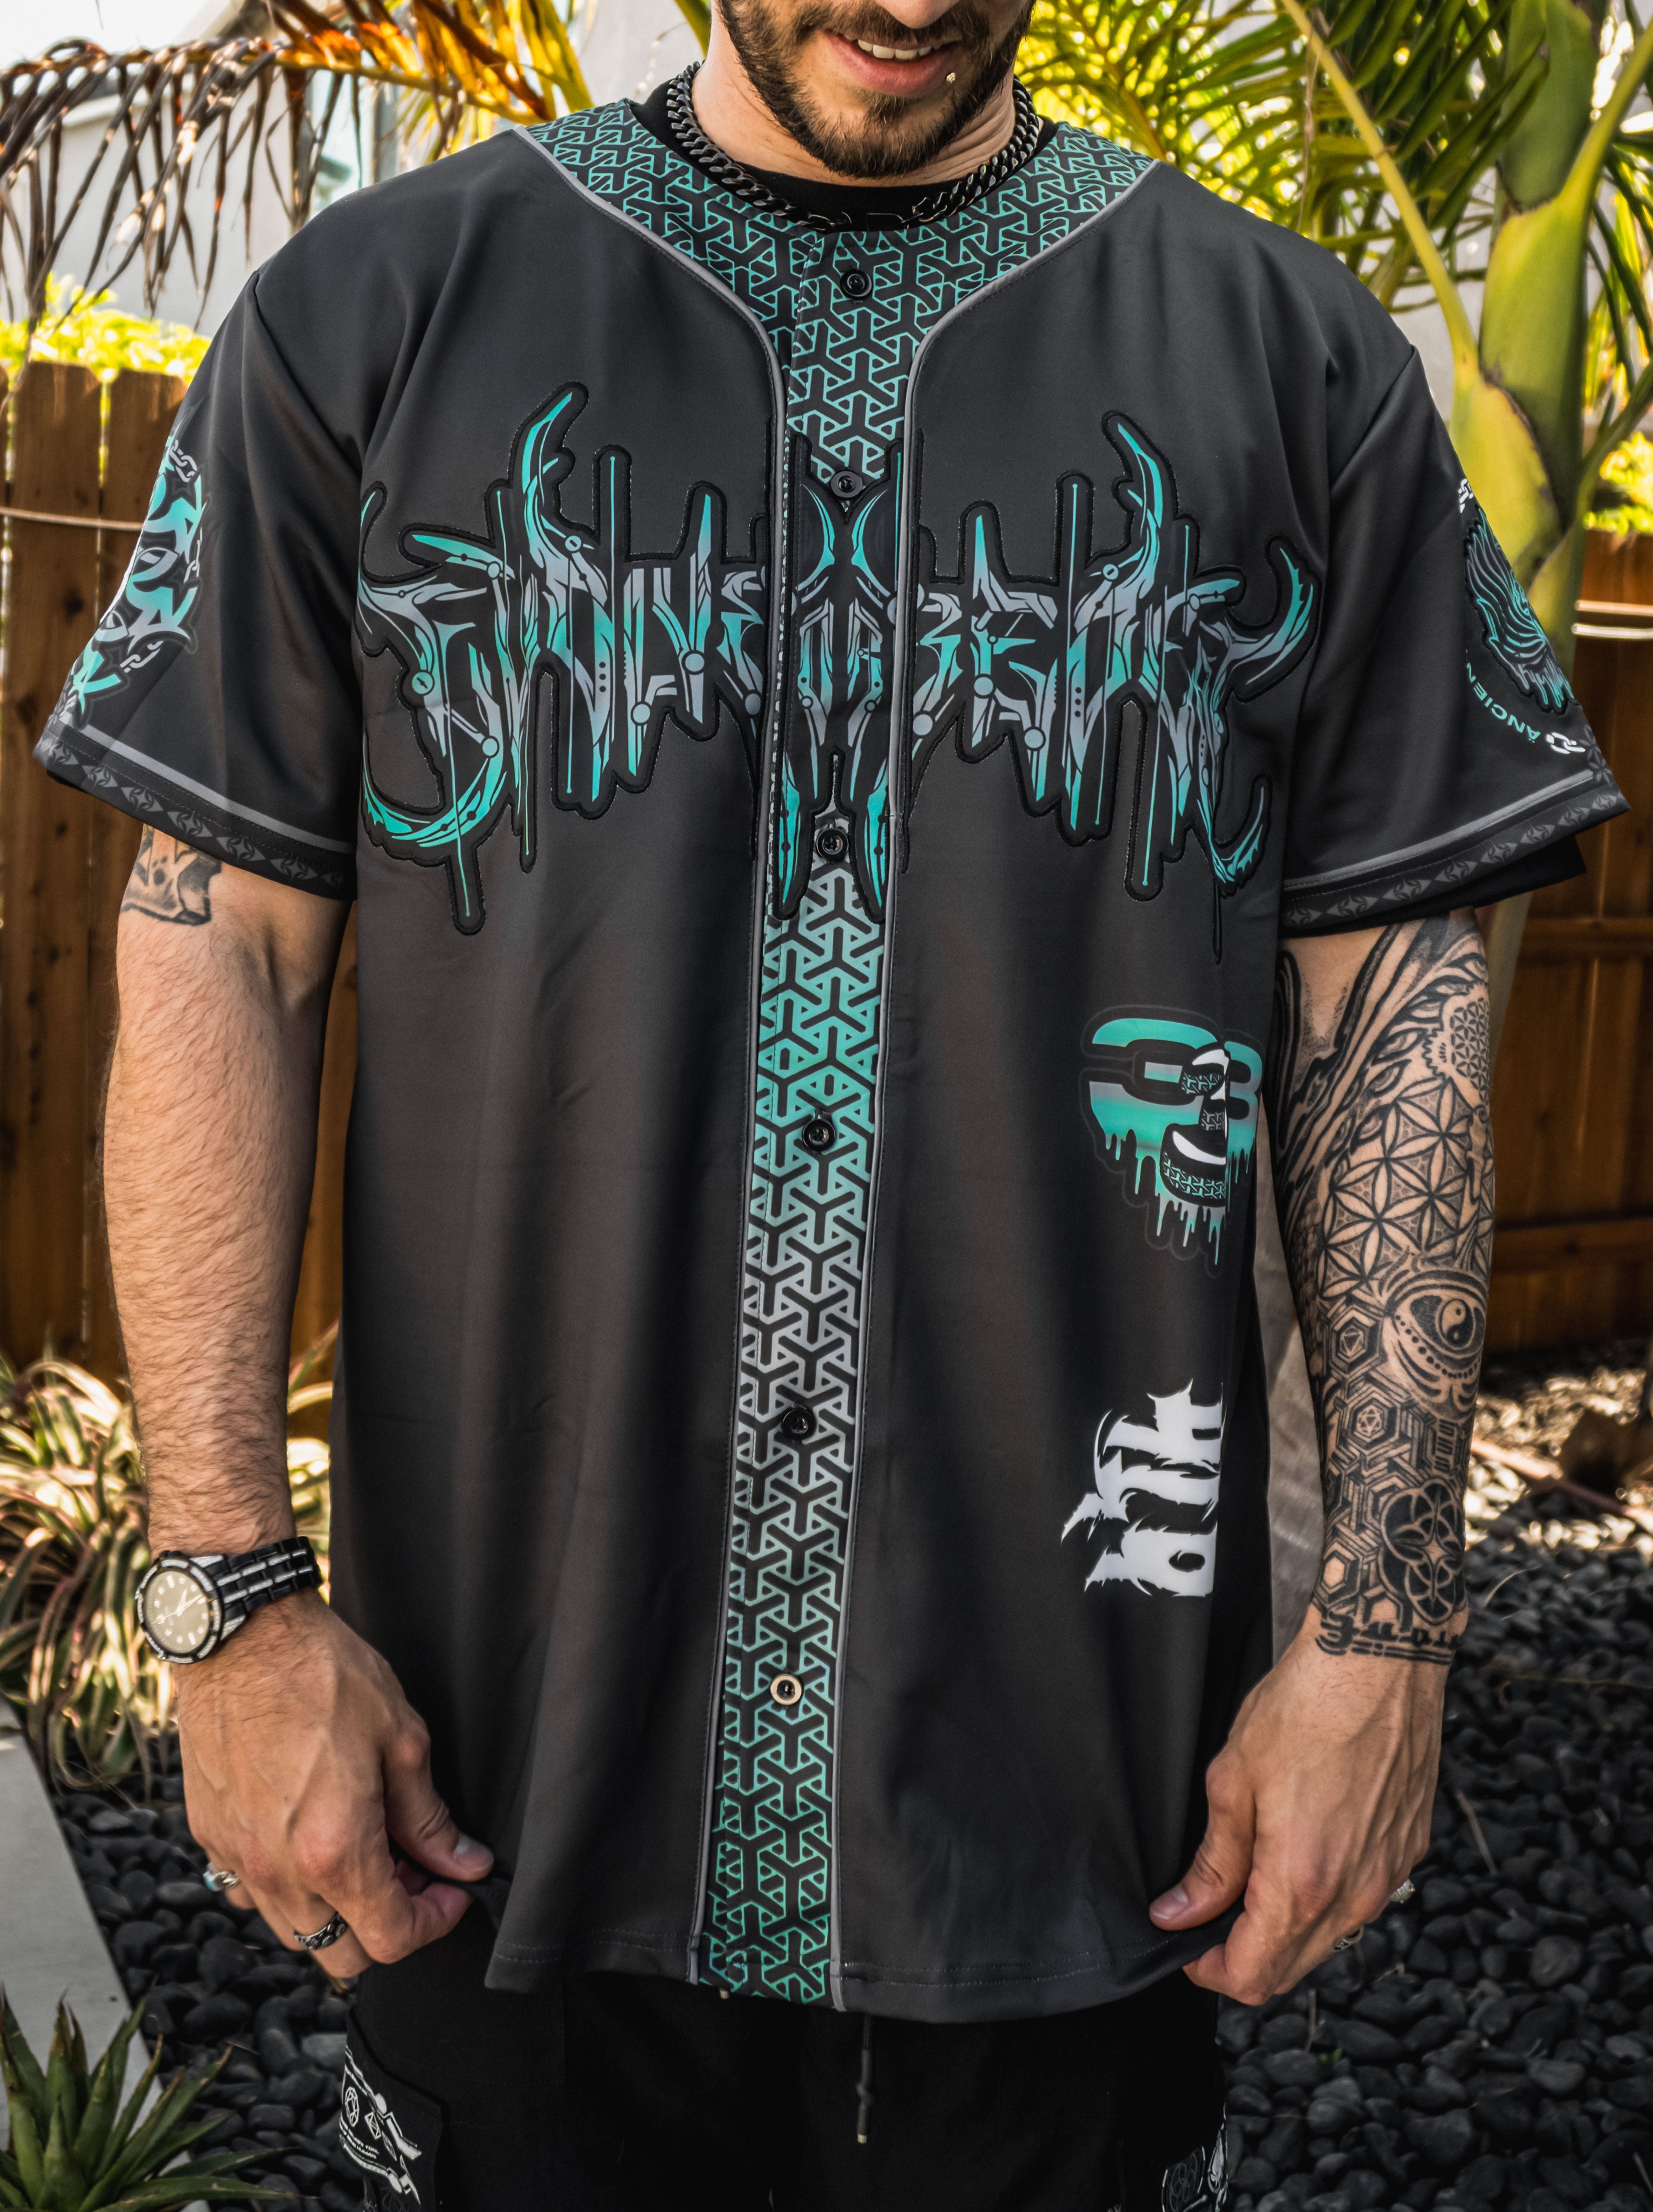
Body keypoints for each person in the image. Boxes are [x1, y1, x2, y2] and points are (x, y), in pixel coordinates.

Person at [40, 0, 1626, 2198]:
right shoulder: (374, 320)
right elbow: (218, 939)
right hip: (489, 1788)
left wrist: (1387, 1635)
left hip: (1082, 1805)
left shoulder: (1293, 363)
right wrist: (222, 1599)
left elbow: (1397, 1000)